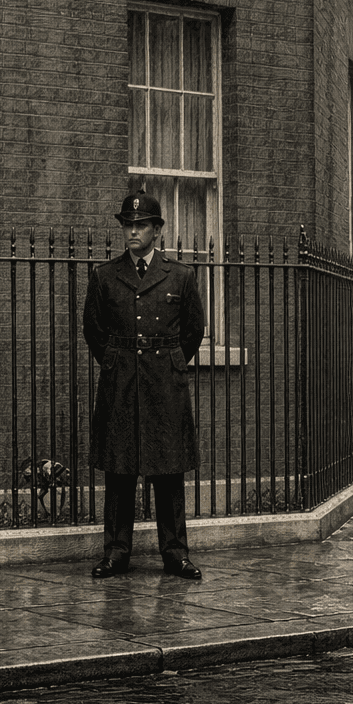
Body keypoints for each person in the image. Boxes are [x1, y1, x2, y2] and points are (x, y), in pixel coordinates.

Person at [82, 191, 205, 579]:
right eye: (127, 225)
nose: (132, 232)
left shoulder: (181, 276)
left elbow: (192, 333)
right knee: (120, 471)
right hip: (120, 383)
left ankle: (175, 553)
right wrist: (119, 363)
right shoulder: (104, 276)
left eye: (140, 226)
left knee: (168, 471)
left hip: (164, 383)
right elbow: (94, 332)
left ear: (156, 231)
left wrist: (166, 364)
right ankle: (116, 553)